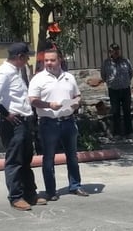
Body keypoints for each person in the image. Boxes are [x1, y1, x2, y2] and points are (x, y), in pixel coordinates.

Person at [0, 42, 47, 211]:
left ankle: (30, 194)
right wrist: (6, 114)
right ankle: (16, 196)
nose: (28, 60)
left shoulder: (16, 72)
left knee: (26, 159)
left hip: (24, 121)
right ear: (20, 57)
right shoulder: (3, 73)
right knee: (15, 161)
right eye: (26, 57)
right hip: (13, 122)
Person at [28, 48, 88, 200]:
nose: (48, 63)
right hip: (49, 123)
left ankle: (75, 185)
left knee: (72, 157)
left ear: (59, 60)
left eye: (52, 60)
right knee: (48, 158)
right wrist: (49, 105)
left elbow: (77, 95)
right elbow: (32, 100)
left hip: (68, 121)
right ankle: (51, 191)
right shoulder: (38, 79)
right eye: (46, 60)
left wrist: (76, 103)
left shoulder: (69, 77)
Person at [100, 43, 133, 137]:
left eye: (117, 50)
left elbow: (131, 73)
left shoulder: (125, 61)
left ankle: (129, 132)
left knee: (127, 111)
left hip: (125, 89)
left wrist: (125, 82)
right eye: (113, 50)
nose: (115, 52)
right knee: (115, 112)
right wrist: (110, 83)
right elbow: (103, 75)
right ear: (110, 51)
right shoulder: (106, 63)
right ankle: (117, 133)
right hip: (113, 90)